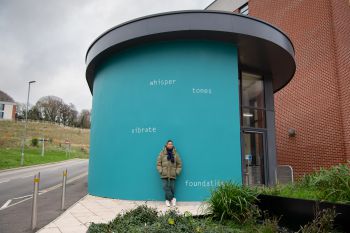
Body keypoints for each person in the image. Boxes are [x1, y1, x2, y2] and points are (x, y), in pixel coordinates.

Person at [156, 139, 182, 207]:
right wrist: (160, 171)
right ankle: (172, 199)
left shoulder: (175, 153)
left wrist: (177, 172)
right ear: (166, 145)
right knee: (165, 186)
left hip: (172, 173)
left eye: (171, 144)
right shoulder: (162, 153)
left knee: (172, 188)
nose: (170, 145)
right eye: (169, 144)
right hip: (164, 173)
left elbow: (179, 164)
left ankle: (168, 200)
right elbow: (158, 163)